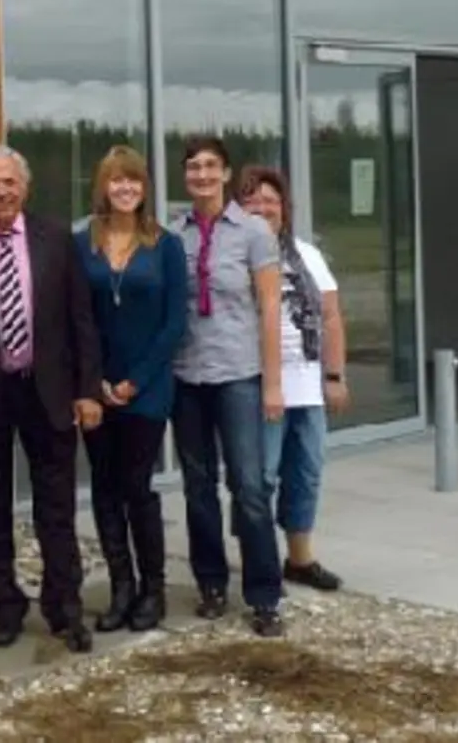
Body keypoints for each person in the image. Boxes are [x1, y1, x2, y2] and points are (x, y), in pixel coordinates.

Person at [0, 144, 102, 654]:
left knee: (55, 507)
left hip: (50, 391)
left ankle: (65, 609)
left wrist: (87, 390)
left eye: (8, 182)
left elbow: (81, 319)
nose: (0, 191)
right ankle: (6, 606)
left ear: (25, 187)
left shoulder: (57, 239)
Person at [170, 136, 287, 638]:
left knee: (250, 488)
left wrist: (273, 384)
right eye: (193, 167)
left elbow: (269, 309)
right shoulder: (172, 234)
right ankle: (211, 584)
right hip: (186, 376)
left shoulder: (254, 231)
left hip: (238, 374)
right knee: (198, 489)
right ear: (185, 176)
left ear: (225, 173)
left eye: (210, 167)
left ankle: (264, 595)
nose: (202, 175)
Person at [74, 145, 187, 633]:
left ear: (144, 188)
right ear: (103, 186)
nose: (125, 189)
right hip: (96, 387)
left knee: (136, 487)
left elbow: (174, 323)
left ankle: (152, 589)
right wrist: (94, 380)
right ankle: (120, 587)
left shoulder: (166, 245)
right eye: (116, 180)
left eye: (133, 181)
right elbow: (77, 317)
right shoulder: (83, 243)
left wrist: (134, 381)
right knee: (103, 488)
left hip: (147, 388)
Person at [238, 165, 350, 593]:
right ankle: (260, 566)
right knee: (260, 479)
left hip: (307, 386)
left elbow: (332, 316)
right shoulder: (234, 255)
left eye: (271, 199)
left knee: (306, 473)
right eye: (253, 200)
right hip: (259, 385)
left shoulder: (307, 255)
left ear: (285, 208)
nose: (263, 207)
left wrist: (335, 375)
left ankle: (300, 559)